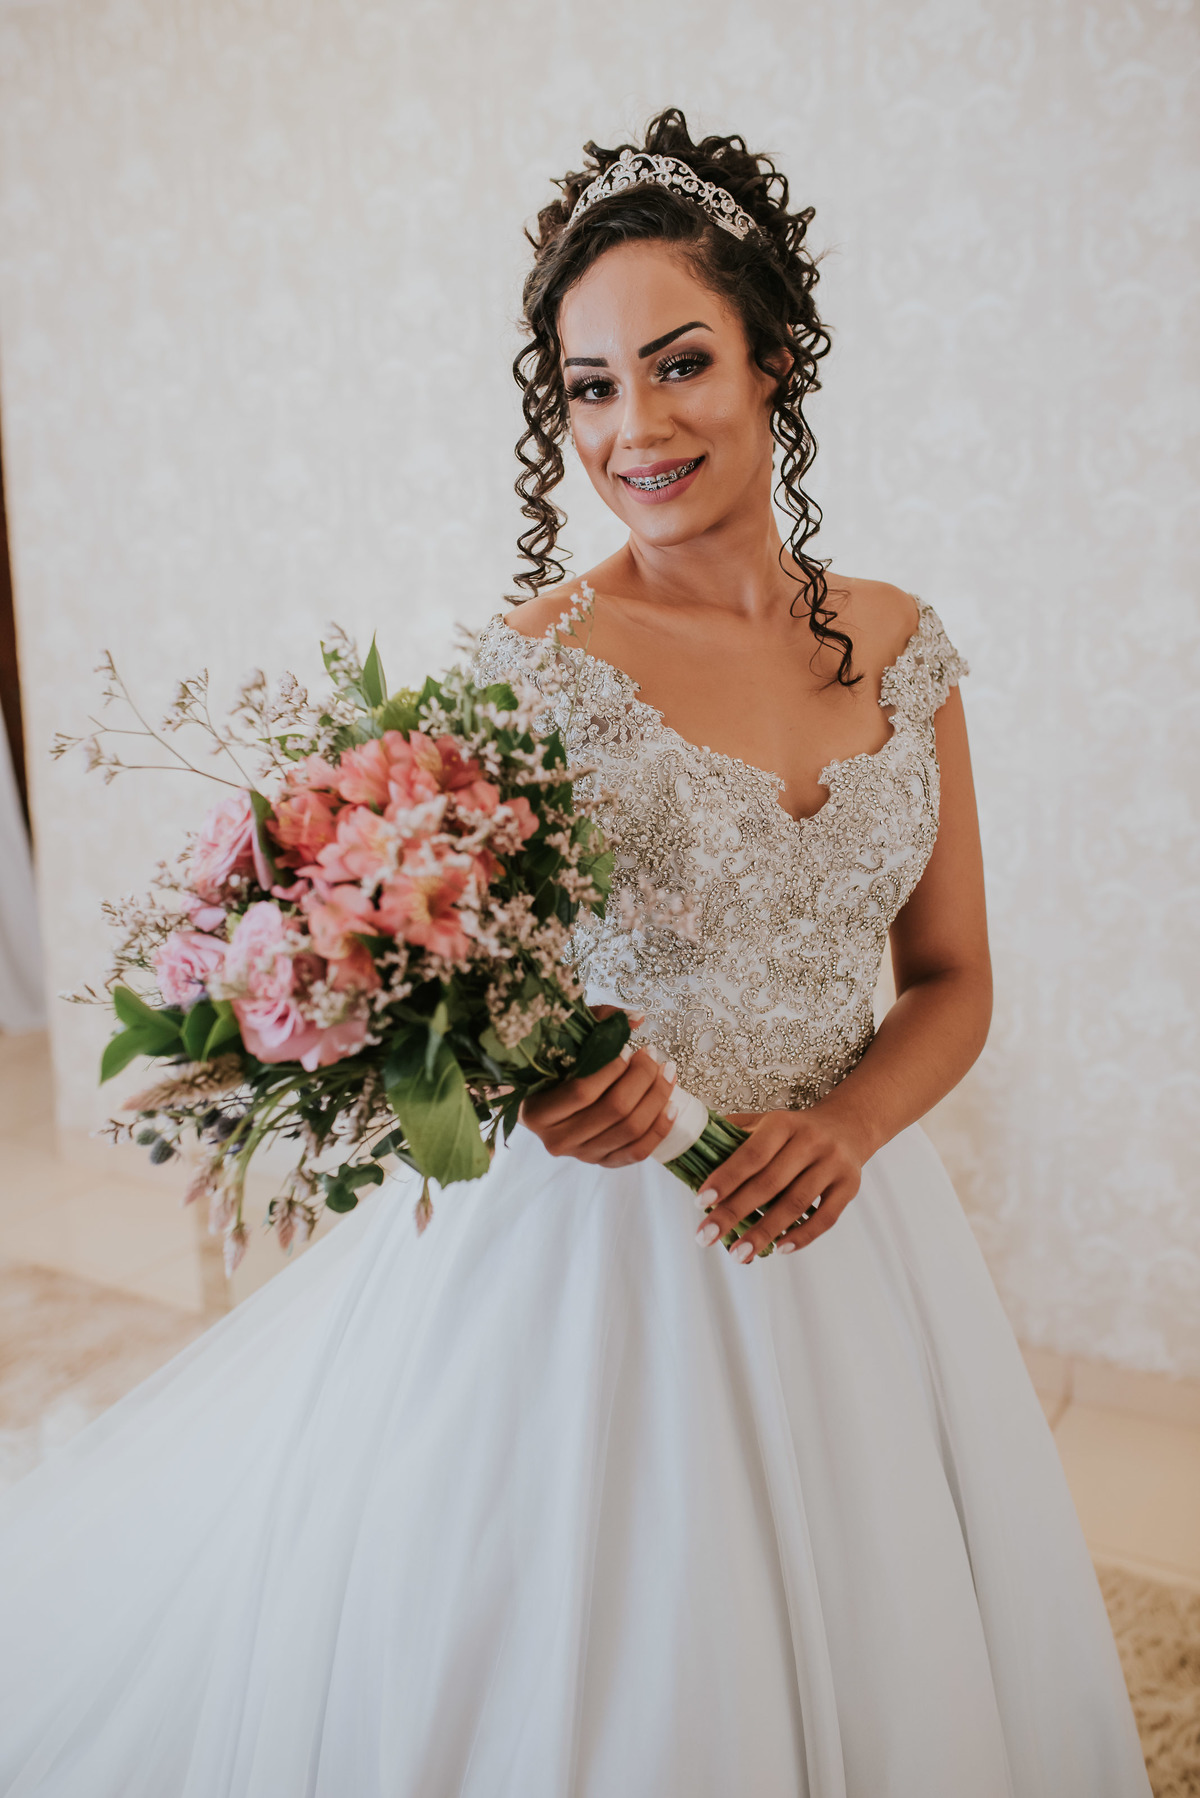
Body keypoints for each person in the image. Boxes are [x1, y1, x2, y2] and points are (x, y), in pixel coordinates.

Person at [0, 109, 1150, 1798]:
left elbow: (955, 974)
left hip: (845, 1217)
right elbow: (451, 983)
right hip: (602, 1252)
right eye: (590, 387)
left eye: (679, 365)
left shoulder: (903, 646)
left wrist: (848, 1127)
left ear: (772, 363)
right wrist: (535, 1087)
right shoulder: (537, 665)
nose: (634, 428)